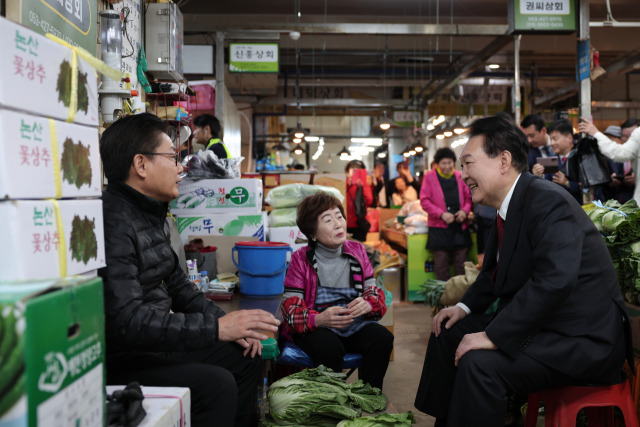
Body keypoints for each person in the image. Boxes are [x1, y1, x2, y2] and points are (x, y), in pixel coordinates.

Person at [415, 115, 632, 427]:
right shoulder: (511, 204)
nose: (463, 175)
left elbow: (555, 281)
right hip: (549, 325)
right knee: (447, 333)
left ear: (503, 161)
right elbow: (492, 273)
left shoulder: (547, 202)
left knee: (480, 363)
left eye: (468, 164)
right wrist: (463, 308)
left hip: (583, 339)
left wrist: (493, 335)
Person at [99, 113, 280, 427]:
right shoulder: (113, 221)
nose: (180, 167)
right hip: (130, 357)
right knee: (217, 384)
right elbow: (126, 322)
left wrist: (227, 323)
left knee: (248, 354)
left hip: (158, 345)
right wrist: (215, 330)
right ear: (141, 165)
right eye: (172, 157)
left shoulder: (149, 213)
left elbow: (179, 286)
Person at [280, 192, 394, 389]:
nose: (338, 224)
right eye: (327, 219)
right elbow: (290, 312)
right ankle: (333, 403)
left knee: (382, 338)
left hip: (352, 325)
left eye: (339, 216)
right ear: (312, 233)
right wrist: (320, 319)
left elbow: (374, 292)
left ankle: (368, 396)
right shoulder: (300, 259)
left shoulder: (358, 251)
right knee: (329, 347)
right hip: (316, 328)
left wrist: (368, 304)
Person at [419, 147, 473, 281]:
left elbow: (469, 197)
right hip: (439, 228)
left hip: (459, 227)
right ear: (437, 164)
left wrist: (464, 212)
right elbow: (424, 200)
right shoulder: (429, 177)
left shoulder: (459, 176)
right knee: (441, 265)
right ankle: (444, 299)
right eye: (444, 163)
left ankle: (461, 298)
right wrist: (441, 214)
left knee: (461, 263)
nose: (447, 166)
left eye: (450, 163)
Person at [578, 118, 640, 204]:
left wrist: (595, 133)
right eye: (625, 136)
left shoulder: (638, 132)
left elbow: (621, 153)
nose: (628, 140)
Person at [532, 119, 583, 205]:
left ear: (569, 138)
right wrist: (539, 176)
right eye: (551, 139)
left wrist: (568, 183)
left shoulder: (581, 158)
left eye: (555, 139)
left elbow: (589, 188)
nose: (552, 143)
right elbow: (546, 186)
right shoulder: (550, 160)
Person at [602, 125, 635, 203]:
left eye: (610, 138)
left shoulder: (636, 156)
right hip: (615, 203)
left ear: (620, 139)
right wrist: (609, 182)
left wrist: (636, 180)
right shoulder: (608, 158)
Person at [345, 159, 373, 241]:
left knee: (359, 250)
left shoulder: (363, 185)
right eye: (352, 169)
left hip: (358, 225)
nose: (355, 171)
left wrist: (362, 185)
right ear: (347, 171)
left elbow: (369, 200)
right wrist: (348, 183)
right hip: (344, 224)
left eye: (357, 169)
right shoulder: (344, 183)